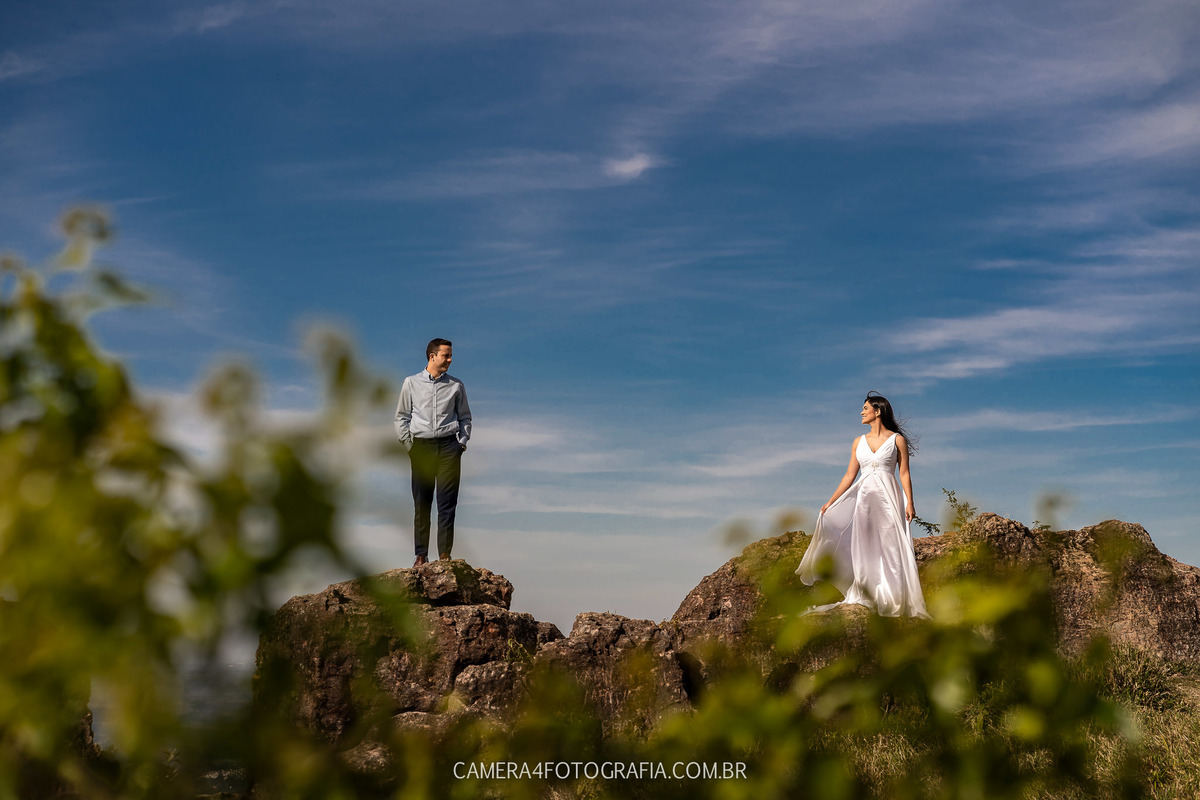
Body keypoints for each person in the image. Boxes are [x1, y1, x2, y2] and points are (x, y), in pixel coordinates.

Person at [796, 392, 929, 618]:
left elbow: (904, 473)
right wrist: (831, 501)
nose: (861, 412)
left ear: (878, 411)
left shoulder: (897, 440)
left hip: (889, 498)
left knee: (890, 545)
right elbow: (849, 475)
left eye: (865, 408)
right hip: (864, 499)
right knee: (865, 546)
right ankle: (867, 592)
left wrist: (910, 502)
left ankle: (894, 597)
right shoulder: (858, 441)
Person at [395, 338, 472, 567]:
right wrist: (410, 447)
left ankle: (445, 556)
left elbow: (465, 417)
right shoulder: (410, 383)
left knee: (447, 504)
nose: (450, 360)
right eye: (446, 355)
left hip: (450, 447)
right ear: (432, 356)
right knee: (422, 503)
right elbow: (401, 418)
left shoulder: (456, 386)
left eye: (450, 356)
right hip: (421, 448)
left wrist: (462, 443)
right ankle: (421, 556)